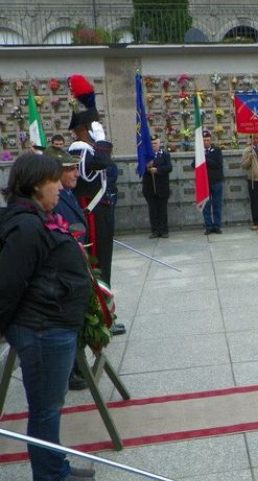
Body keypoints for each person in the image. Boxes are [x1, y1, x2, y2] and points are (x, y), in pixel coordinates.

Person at [0, 154, 96, 481]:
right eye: (55, 180)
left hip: (52, 323)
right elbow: (8, 285)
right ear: (37, 184)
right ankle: (50, 476)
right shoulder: (26, 227)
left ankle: (56, 464)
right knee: (45, 408)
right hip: (42, 328)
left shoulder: (37, 218)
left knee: (50, 405)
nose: (59, 186)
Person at [66, 74, 125, 336]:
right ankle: (101, 317)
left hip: (97, 213)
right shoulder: (80, 148)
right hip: (93, 217)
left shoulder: (84, 149)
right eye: (93, 127)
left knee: (102, 266)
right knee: (98, 267)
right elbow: (102, 163)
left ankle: (105, 314)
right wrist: (100, 140)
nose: (96, 131)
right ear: (83, 130)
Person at [45, 148, 90, 391]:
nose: (76, 173)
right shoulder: (54, 200)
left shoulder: (67, 194)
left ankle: (76, 365)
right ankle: (70, 370)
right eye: (70, 169)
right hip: (64, 273)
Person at [142, 135, 172, 238]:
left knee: (163, 210)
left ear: (159, 144)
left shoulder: (165, 155)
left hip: (162, 188)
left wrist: (157, 170)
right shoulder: (146, 156)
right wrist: (147, 167)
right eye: (151, 144)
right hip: (150, 188)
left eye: (155, 143)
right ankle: (155, 231)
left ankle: (164, 231)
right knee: (153, 211)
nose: (153, 145)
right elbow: (140, 169)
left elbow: (169, 167)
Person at [195, 130, 224, 234]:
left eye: (208, 140)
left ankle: (217, 226)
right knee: (206, 207)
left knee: (217, 205)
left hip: (216, 182)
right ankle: (208, 226)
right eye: (204, 140)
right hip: (204, 183)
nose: (206, 142)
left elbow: (218, 164)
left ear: (211, 140)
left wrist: (205, 159)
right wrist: (201, 159)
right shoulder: (199, 152)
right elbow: (194, 164)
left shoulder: (217, 150)